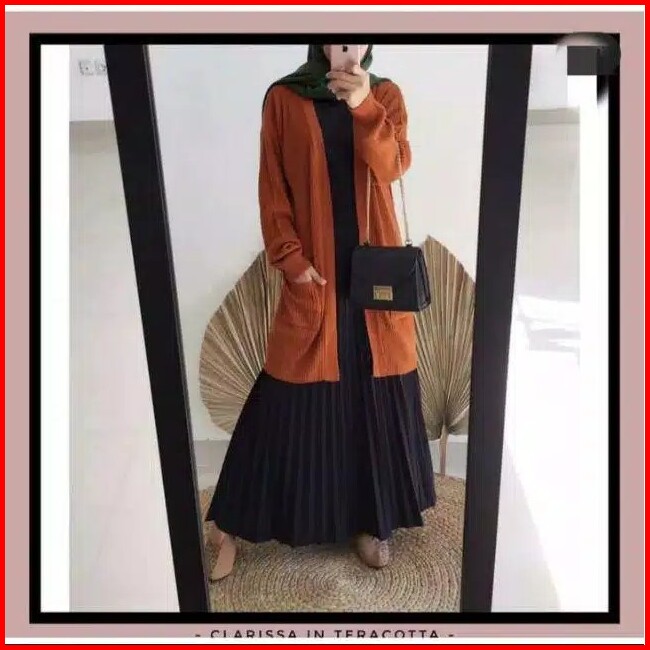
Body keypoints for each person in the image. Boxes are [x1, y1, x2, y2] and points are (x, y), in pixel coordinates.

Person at [205, 44, 435, 580]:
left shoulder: (386, 95)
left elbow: (393, 167)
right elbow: (272, 186)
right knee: (285, 398)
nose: (347, 45)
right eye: (336, 32)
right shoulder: (284, 98)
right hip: (318, 277)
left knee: (374, 396)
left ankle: (372, 523)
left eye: (358, 34)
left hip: (376, 282)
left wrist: (363, 106)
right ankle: (228, 524)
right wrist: (291, 260)